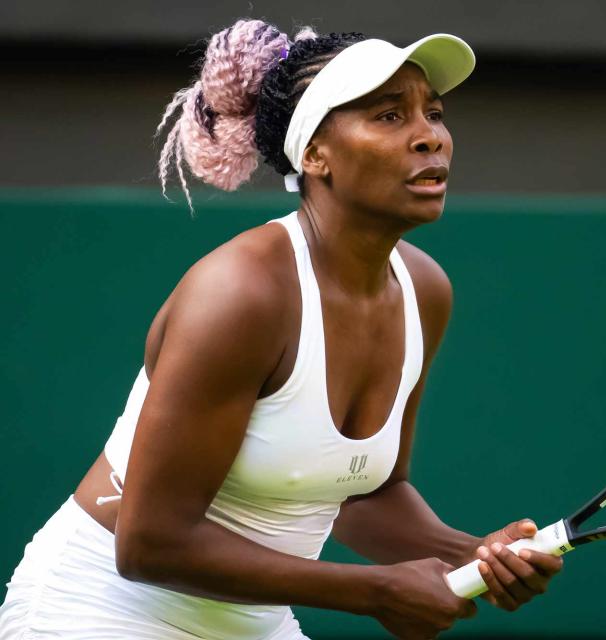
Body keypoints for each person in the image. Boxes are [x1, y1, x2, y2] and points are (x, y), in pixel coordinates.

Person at [0, 19, 562, 640]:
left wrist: (473, 554)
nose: (429, 138)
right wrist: (377, 589)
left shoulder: (425, 290)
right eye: (387, 116)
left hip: (253, 622)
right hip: (93, 611)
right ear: (314, 154)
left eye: (433, 112)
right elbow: (151, 543)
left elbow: (362, 493)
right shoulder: (241, 293)